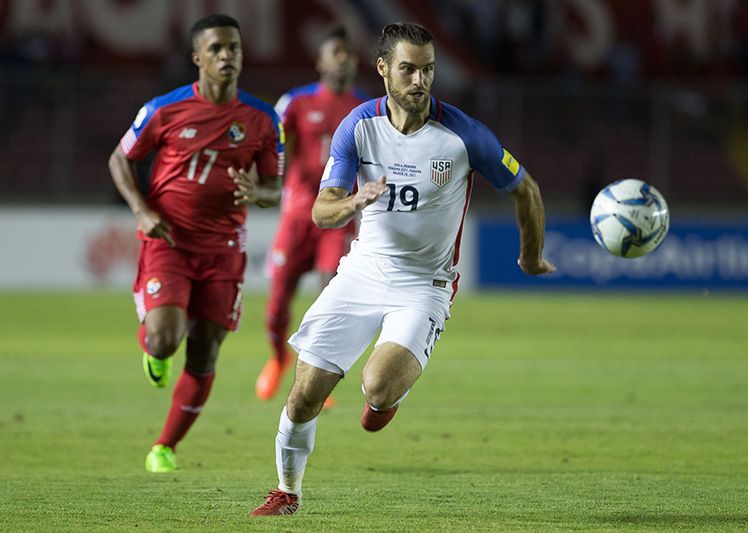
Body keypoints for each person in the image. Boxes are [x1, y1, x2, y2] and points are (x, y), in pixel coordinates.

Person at [249, 22, 555, 516]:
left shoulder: (463, 134)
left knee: (378, 385)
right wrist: (352, 201)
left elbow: (528, 190)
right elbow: (320, 211)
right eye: (408, 69)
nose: (420, 80)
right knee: (304, 394)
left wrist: (530, 254)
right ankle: (287, 492)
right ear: (383, 69)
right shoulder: (358, 126)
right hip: (362, 273)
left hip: (425, 286)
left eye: (428, 70)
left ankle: (385, 399)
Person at [108, 13, 284, 473]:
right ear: (197, 58)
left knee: (205, 350)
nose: (227, 56)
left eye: (235, 48)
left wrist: (258, 193)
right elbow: (120, 159)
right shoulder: (163, 110)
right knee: (167, 340)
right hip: (169, 239)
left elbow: (275, 188)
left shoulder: (263, 120)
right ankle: (153, 348)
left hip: (225, 249)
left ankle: (164, 446)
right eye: (217, 49)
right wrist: (142, 211)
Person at [255, 25, 368, 406]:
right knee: (278, 303)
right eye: (336, 52)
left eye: (349, 53)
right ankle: (277, 358)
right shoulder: (296, 102)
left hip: (337, 217)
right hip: (297, 217)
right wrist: (266, 180)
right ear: (320, 61)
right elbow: (269, 139)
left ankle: (316, 373)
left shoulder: (364, 107)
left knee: (329, 291)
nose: (344, 59)